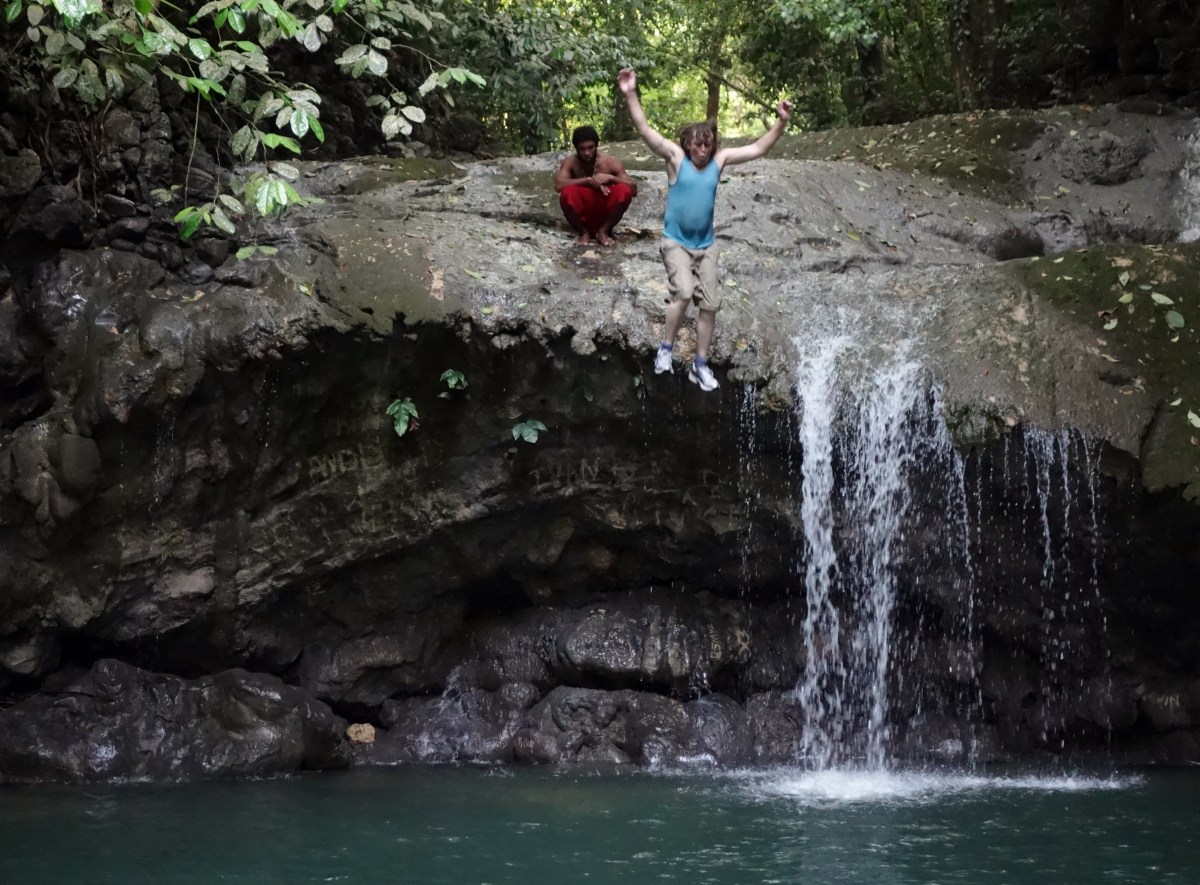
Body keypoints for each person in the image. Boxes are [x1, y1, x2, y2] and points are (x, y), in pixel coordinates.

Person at [617, 68, 792, 392]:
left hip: (706, 245)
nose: (703, 150)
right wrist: (630, 93)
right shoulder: (675, 158)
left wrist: (780, 122)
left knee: (710, 304)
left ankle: (700, 364)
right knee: (683, 292)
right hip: (676, 243)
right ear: (688, 144)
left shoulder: (719, 161)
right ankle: (665, 351)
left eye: (707, 145)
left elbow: (758, 149)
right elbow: (644, 129)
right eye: (698, 145)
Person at [554, 125, 638, 246]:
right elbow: (558, 185)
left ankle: (603, 231)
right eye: (582, 149)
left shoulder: (610, 162)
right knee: (567, 193)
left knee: (624, 191)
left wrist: (612, 178)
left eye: (590, 148)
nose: (586, 153)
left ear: (597, 146)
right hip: (583, 213)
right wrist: (588, 180)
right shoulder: (570, 162)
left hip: (604, 211)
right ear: (576, 148)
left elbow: (634, 189)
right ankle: (583, 232)